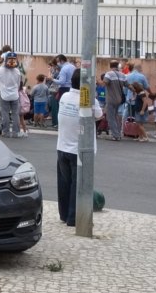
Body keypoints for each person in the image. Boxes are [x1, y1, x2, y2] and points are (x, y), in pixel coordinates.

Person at [57, 69, 102, 227]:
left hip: (62, 146)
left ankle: (64, 214)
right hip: (78, 150)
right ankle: (74, 218)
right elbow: (98, 115)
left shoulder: (65, 96)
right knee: (78, 186)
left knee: (64, 184)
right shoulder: (89, 100)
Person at [0, 52, 22, 138]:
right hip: (15, 95)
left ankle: (5, 132)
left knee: (5, 113)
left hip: (4, 95)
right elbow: (18, 83)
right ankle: (16, 132)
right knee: (15, 114)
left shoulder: (0, 70)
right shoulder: (17, 71)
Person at [103, 60, 128, 141]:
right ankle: (118, 133)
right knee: (116, 116)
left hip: (110, 99)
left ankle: (115, 135)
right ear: (117, 66)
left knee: (110, 117)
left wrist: (99, 82)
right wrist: (135, 91)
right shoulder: (122, 75)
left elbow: (105, 82)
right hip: (119, 99)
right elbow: (128, 85)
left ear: (110, 66)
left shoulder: (109, 74)